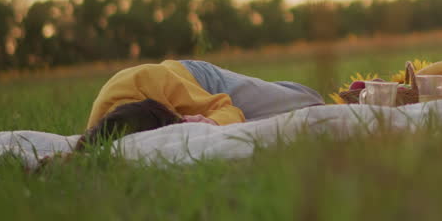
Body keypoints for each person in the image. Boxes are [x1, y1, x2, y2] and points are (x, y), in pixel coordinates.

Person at [78, 59, 324, 148]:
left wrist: (211, 121)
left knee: (307, 101)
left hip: (200, 80)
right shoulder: (104, 131)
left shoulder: (153, 82)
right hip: (171, 96)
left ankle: (274, 90)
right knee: (263, 118)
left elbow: (227, 108)